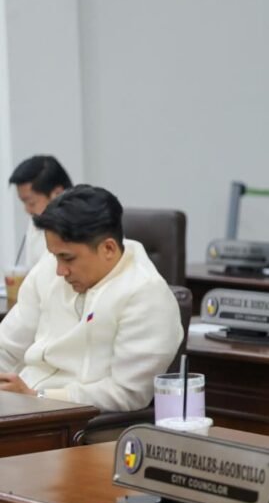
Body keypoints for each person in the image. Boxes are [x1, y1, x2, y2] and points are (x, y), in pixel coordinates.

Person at [0, 185, 183, 412]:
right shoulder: (48, 269)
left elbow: (127, 393)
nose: (59, 270)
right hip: (21, 405)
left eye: (68, 258)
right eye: (55, 256)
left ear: (108, 249)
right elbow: (7, 346)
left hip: (74, 418)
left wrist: (37, 397)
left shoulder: (147, 295)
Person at [7, 155, 73, 269]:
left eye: (31, 203)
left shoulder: (80, 229)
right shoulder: (37, 221)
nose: (27, 210)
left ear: (57, 194)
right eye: (24, 202)